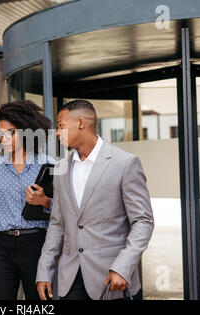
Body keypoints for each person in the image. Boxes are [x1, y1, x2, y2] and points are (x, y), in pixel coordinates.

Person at [36, 99, 154, 300]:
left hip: (111, 278)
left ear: (81, 123)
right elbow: (57, 224)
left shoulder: (124, 163)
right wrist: (44, 271)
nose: (57, 133)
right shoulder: (60, 169)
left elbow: (143, 221)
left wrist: (123, 267)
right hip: (70, 280)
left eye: (61, 126)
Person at [0, 100, 54, 300]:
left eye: (11, 132)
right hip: (2, 246)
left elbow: (64, 210)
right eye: (0, 133)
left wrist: (45, 201)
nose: (4, 138)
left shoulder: (47, 164)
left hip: (36, 243)